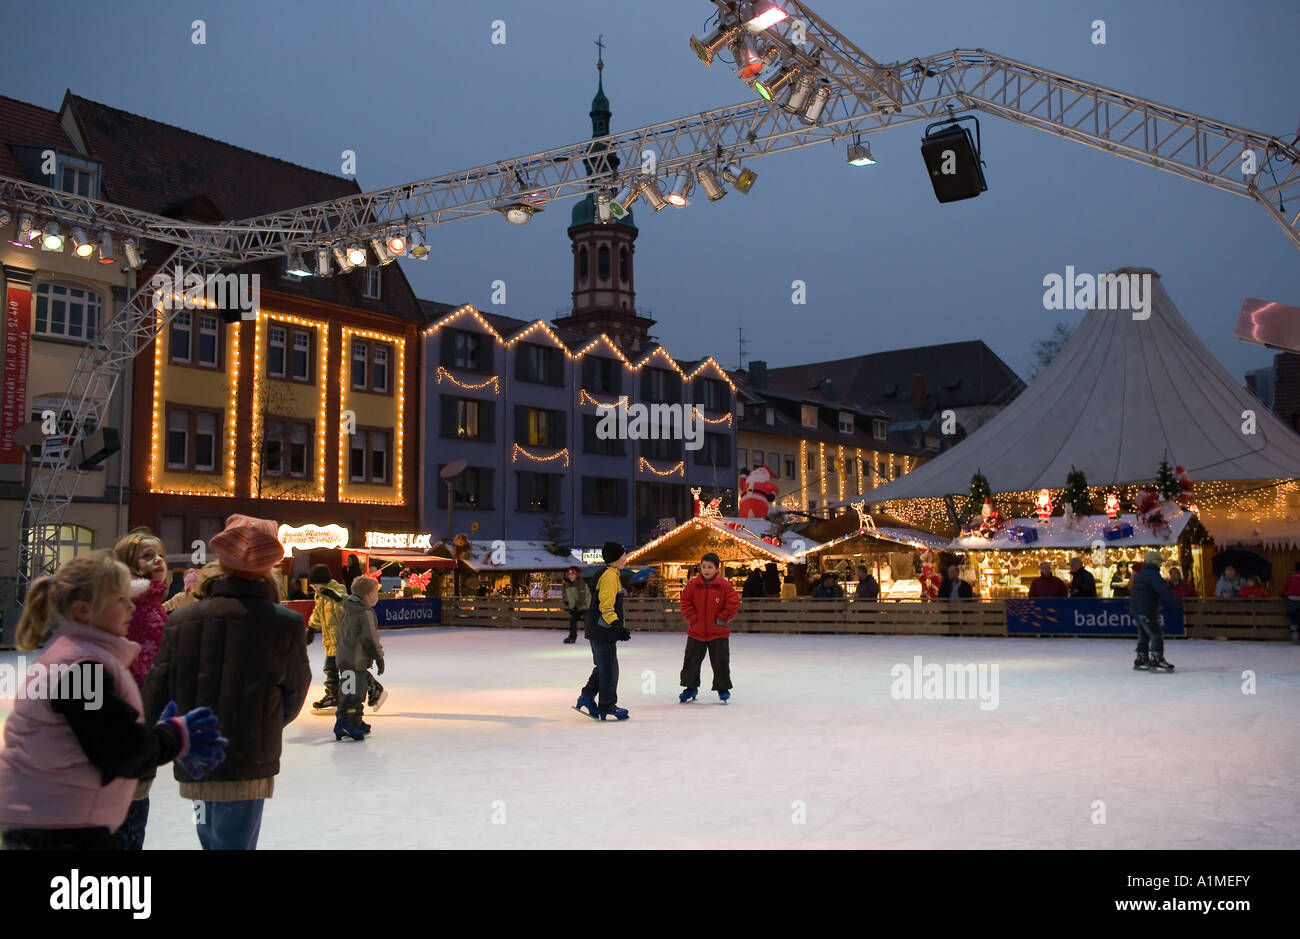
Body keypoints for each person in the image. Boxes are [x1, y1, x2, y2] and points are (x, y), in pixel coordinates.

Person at [0, 552, 226, 850]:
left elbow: (100, 732)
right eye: (121, 599)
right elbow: (118, 748)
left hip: (48, 817)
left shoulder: (71, 655)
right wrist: (175, 736)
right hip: (57, 827)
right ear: (83, 610)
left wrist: (160, 733)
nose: (131, 607)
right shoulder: (80, 668)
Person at [142, 514, 310, 850]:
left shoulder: (181, 620)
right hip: (249, 758)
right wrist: (265, 721)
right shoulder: (285, 623)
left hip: (194, 756)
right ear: (270, 566)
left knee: (208, 836)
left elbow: (155, 691)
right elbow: (294, 691)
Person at [110, 529, 171, 850]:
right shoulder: (134, 602)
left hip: (139, 707)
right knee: (130, 802)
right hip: (131, 710)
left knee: (135, 797)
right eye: (148, 555)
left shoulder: (149, 597)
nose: (157, 560)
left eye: (159, 554)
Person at [574, 541, 631, 721]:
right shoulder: (609, 576)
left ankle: (587, 696)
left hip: (598, 628)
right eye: (623, 554)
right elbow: (606, 605)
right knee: (609, 669)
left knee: (603, 665)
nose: (626, 557)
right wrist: (616, 626)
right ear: (615, 558)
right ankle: (607, 706)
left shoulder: (609, 573)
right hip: (603, 629)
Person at [678, 552, 742, 703]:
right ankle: (690, 687)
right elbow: (685, 601)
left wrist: (722, 618)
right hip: (696, 632)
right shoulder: (693, 585)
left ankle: (723, 688)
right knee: (691, 661)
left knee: (720, 661)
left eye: (710, 567)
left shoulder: (724, 585)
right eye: (703, 566)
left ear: (716, 569)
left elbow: (733, 603)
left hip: (718, 633)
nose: (706, 570)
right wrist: (692, 618)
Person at [335, 576, 385, 740]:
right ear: (367, 595)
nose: (377, 597)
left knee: (353, 691)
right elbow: (370, 637)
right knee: (353, 693)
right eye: (375, 594)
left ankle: (355, 721)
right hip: (355, 660)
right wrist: (378, 657)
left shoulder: (348, 608)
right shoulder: (364, 612)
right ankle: (344, 724)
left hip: (346, 657)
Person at [306, 564, 347, 713]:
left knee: (340, 669)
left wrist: (336, 598)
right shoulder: (320, 596)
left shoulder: (337, 591)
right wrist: (311, 628)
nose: (313, 588)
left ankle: (371, 687)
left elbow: (347, 607)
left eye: (314, 585)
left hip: (343, 639)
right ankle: (333, 695)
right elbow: (317, 613)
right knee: (333, 668)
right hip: (330, 640)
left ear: (321, 582)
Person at [1130, 550, 1178, 671]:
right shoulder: (1152, 574)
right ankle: (1157, 658)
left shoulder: (1143, 573)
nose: (1160, 564)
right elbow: (1164, 591)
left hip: (1137, 610)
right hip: (1146, 610)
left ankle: (1141, 659)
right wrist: (1177, 604)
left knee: (1144, 634)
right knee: (1156, 633)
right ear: (1153, 562)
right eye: (1159, 561)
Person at [561, 566, 591, 644]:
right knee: (573, 621)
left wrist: (575, 607)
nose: (571, 576)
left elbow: (582, 597)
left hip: (585, 606)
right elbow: (567, 595)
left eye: (573, 575)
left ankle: (594, 638)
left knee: (588, 622)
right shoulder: (568, 584)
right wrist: (566, 602)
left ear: (576, 575)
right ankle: (572, 637)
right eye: (570, 575)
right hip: (576, 607)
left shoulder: (581, 583)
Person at [1281, 562, 1300, 643]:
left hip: (1290, 600)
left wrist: (1282, 594)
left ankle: (1294, 633)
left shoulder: (1291, 577)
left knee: (1292, 618)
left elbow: (1284, 588)